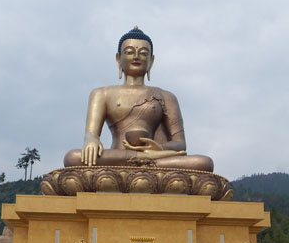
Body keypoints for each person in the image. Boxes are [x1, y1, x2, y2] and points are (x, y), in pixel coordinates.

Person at [63, 26, 213, 172]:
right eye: (129, 52)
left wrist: (159, 149)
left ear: (151, 61)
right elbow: (91, 133)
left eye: (143, 53)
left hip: (156, 157)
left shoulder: (167, 97)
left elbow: (180, 144)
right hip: (118, 156)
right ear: (118, 59)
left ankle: (144, 161)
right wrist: (91, 140)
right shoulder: (101, 94)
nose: (136, 57)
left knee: (203, 162)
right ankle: (141, 160)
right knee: (73, 157)